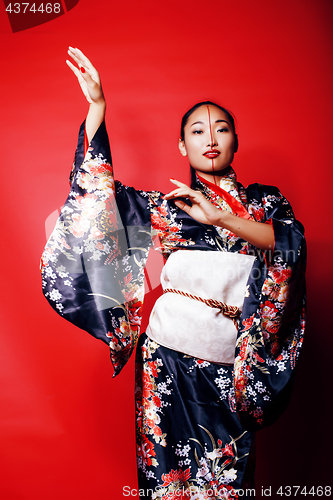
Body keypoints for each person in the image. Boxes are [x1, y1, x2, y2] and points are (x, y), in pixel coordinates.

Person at [41, 48, 306, 499]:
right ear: (183, 147)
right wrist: (97, 109)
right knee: (167, 482)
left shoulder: (266, 203)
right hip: (168, 360)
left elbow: (290, 244)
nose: (211, 138)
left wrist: (221, 220)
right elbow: (97, 202)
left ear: (235, 141)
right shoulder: (169, 209)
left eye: (221, 129)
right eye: (197, 131)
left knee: (229, 481)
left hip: (234, 364)